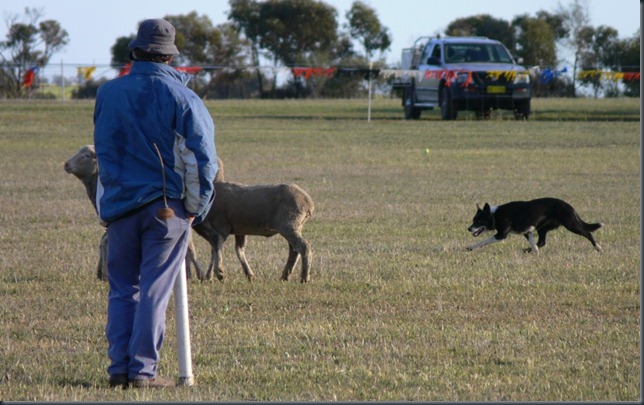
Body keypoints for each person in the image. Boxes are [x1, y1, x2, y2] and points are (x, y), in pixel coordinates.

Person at [93, 18, 218, 389]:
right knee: (152, 291)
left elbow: (103, 149)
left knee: (121, 289)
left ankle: (119, 370)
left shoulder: (107, 93)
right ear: (170, 57)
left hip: (118, 207)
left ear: (135, 52)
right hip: (167, 209)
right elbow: (203, 161)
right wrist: (196, 208)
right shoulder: (184, 98)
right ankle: (143, 373)